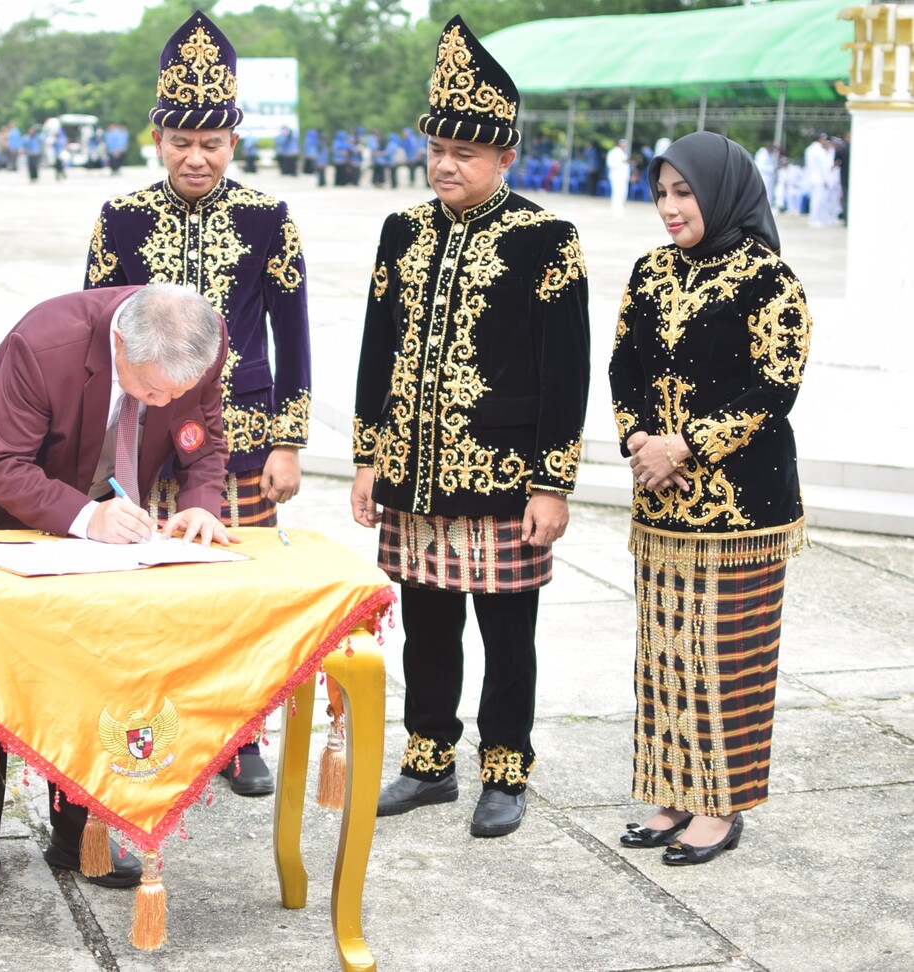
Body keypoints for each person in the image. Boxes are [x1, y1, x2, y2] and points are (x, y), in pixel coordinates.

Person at [351, 16, 591, 838]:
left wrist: (551, 483)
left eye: (466, 153)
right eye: (437, 150)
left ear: (504, 157)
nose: (446, 165)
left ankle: (506, 769)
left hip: (502, 481)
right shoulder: (402, 231)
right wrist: (365, 459)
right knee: (425, 624)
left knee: (508, 631)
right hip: (414, 474)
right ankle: (427, 760)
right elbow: (376, 348)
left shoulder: (546, 241)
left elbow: (567, 375)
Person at [0, 282, 232, 899]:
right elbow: (2, 464)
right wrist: (87, 519)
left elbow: (204, 442)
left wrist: (200, 506)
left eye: (174, 392)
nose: (164, 402)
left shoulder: (194, 342)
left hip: (105, 525)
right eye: (150, 391)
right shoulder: (47, 342)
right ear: (118, 342)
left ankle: (78, 827)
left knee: (90, 670)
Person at [84, 8, 312, 799]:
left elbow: (294, 335)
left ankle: (243, 736)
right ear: (158, 140)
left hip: (242, 441)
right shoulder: (120, 218)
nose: (196, 156)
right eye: (182, 142)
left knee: (238, 595)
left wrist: (288, 442)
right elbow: (92, 335)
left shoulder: (268, 219)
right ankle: (155, 728)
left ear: (233, 143)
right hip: (141, 440)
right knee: (147, 594)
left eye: (211, 143)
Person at [609, 131, 811, 866]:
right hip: (661, 502)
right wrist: (639, 441)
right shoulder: (651, 272)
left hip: (740, 509)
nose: (668, 207)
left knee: (728, 658)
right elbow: (623, 364)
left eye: (684, 192)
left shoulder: (769, 279)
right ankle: (669, 794)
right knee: (664, 656)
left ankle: (721, 806)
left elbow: (774, 389)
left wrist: (683, 445)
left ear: (722, 193)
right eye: (662, 192)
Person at [607, 137, 631, 217]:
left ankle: (620, 208)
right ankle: (615, 209)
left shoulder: (623, 153)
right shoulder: (613, 152)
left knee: (623, 193)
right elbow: (610, 164)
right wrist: (621, 162)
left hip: (623, 177)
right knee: (617, 193)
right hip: (616, 176)